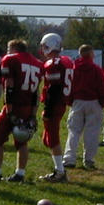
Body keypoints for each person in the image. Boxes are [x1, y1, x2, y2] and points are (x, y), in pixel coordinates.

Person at [0, 39, 43, 183]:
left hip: (14, 105)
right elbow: (35, 93)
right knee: (22, 141)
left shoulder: (11, 60)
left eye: (8, 48)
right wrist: (33, 114)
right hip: (27, 106)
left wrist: (9, 109)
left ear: (14, 48)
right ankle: (20, 173)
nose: (7, 52)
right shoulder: (38, 63)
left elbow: (9, 86)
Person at [63, 44, 104, 170]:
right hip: (93, 102)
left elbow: (69, 85)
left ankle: (69, 158)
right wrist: (103, 101)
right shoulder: (96, 69)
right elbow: (102, 87)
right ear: (91, 54)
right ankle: (88, 159)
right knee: (92, 132)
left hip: (77, 101)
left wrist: (70, 100)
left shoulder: (74, 68)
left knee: (73, 131)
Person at [38, 33, 74, 182]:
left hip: (55, 103)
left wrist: (47, 108)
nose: (42, 50)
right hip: (63, 102)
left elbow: (53, 89)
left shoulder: (53, 64)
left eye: (44, 46)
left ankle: (60, 172)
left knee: (52, 139)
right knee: (48, 138)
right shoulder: (66, 61)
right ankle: (59, 169)